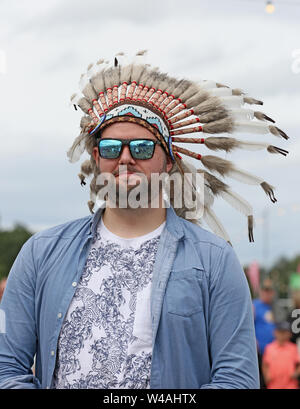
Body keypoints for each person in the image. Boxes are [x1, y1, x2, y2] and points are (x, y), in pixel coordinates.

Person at [0, 51, 289, 389]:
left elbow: (237, 379)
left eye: (142, 148)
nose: (125, 158)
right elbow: (7, 368)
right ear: (96, 158)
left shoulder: (213, 261)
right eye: (110, 148)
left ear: (168, 160)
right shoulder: (41, 253)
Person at [262, 321, 300, 389]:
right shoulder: (269, 348)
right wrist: (266, 376)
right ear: (275, 332)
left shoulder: (293, 348)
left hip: (290, 385)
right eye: (280, 332)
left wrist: (296, 374)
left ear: (289, 334)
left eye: (285, 332)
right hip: (274, 385)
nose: (282, 335)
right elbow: (265, 364)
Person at [253, 278, 276, 388]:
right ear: (261, 291)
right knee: (260, 381)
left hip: (273, 352)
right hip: (259, 352)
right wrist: (253, 340)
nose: (267, 293)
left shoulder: (276, 306)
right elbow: (247, 326)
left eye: (269, 290)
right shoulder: (254, 305)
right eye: (265, 290)